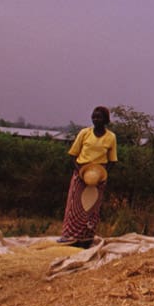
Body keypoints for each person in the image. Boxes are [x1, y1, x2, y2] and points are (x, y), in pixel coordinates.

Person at [58, 105, 118, 246]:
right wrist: (80, 172)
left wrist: (102, 175)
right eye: (94, 117)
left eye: (99, 117)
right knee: (74, 206)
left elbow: (113, 160)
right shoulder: (84, 133)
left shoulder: (111, 137)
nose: (96, 119)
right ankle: (70, 236)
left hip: (98, 175)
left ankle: (86, 238)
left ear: (105, 120)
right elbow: (73, 154)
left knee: (92, 208)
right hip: (81, 171)